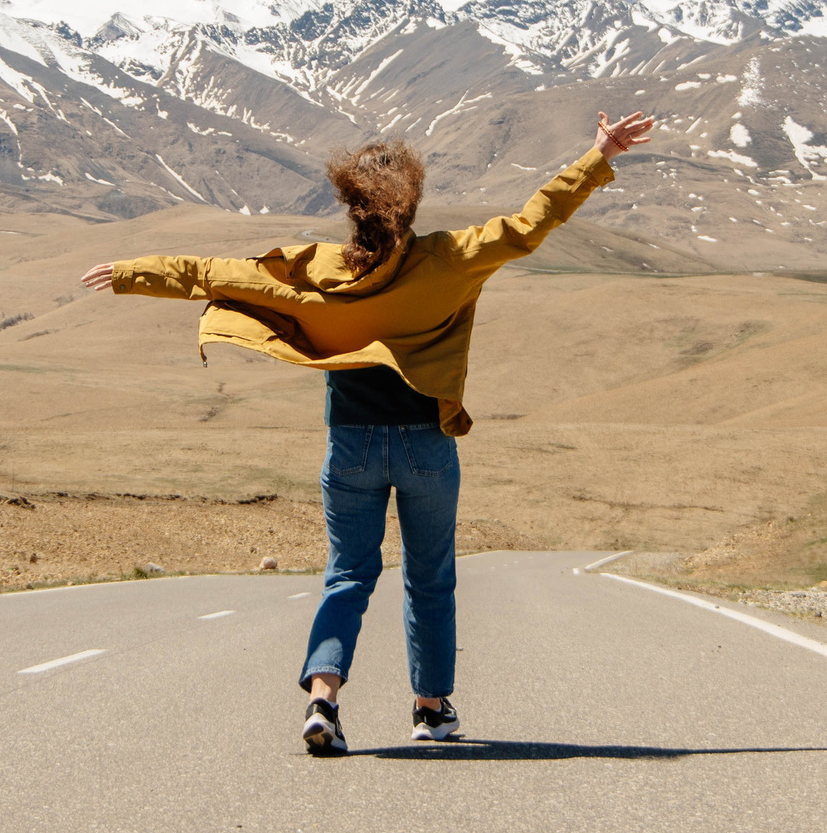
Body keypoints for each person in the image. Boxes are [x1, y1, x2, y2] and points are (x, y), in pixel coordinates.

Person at [80, 109, 656, 755]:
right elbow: (533, 220)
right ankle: (431, 708)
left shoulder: (316, 270)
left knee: (347, 575)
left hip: (350, 444)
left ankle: (323, 698)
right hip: (424, 444)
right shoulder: (450, 260)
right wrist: (597, 154)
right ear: (410, 209)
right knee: (429, 577)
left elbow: (215, 272)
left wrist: (133, 272)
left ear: (352, 209)